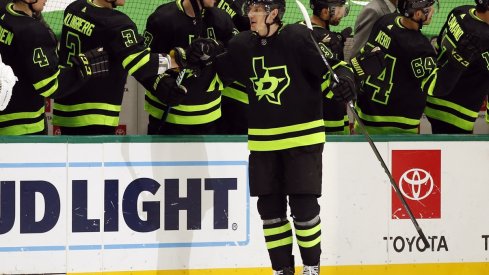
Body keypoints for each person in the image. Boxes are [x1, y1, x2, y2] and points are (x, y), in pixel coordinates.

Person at [202, 0, 357, 273]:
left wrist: (343, 81)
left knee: (304, 208)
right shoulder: (242, 45)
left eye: (257, 10)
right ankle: (281, 269)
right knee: (270, 212)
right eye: (249, 9)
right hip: (263, 143)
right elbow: (215, 75)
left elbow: (332, 68)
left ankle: (311, 268)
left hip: (303, 140)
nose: (250, 14)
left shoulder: (298, 37)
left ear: (273, 13)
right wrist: (197, 59)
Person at [53, 0, 186, 135]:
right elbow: (142, 64)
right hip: (96, 115)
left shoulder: (74, 8)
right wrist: (175, 60)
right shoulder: (117, 23)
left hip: (65, 110)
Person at [0, 0, 109, 135]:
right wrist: (84, 65)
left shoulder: (4, 12)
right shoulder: (33, 31)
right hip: (23, 127)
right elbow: (50, 86)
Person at [143, 0, 238, 135]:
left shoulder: (221, 18)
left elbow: (236, 55)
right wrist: (159, 84)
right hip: (167, 119)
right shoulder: (162, 18)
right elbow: (144, 62)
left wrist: (217, 47)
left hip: (208, 118)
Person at [424, 0, 489, 134]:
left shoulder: (461, 11)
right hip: (457, 114)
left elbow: (438, 46)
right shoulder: (485, 37)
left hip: (432, 102)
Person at [308, 0, 351, 134]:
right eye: (339, 9)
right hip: (331, 117)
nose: (342, 13)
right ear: (325, 12)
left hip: (305, 114)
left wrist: (337, 38)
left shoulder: (299, 30)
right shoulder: (333, 42)